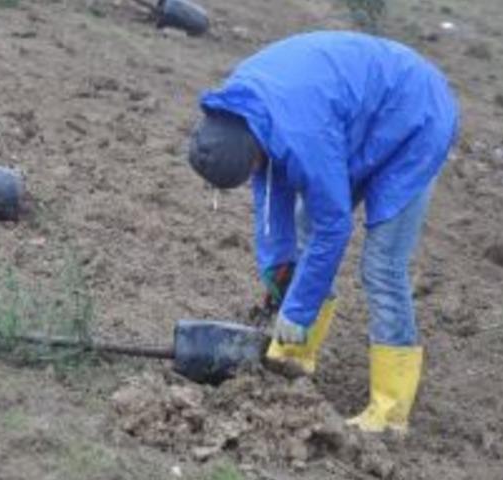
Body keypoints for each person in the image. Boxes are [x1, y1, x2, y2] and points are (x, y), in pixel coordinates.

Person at [187, 31, 458, 433]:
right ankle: (297, 352)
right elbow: (269, 182)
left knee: (381, 266)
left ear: (251, 149)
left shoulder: (302, 135)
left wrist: (296, 310)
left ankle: (390, 410)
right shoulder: (241, 111)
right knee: (299, 230)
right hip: (353, 118)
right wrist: (278, 265)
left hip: (414, 119)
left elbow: (334, 227)